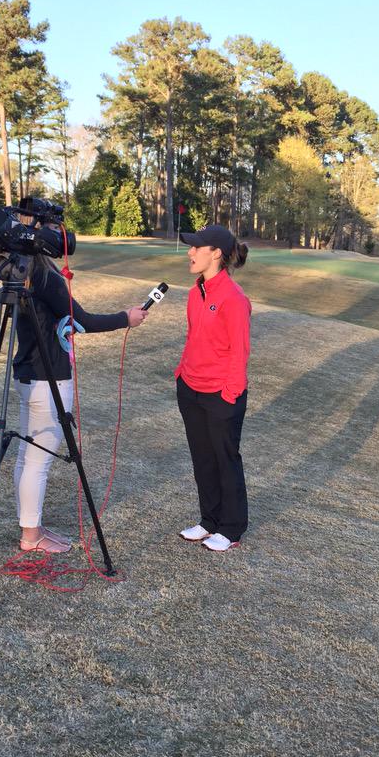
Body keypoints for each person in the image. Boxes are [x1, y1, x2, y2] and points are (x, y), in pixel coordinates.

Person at [12, 223, 148, 553]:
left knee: (27, 457)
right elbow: (81, 318)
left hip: (28, 376)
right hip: (48, 380)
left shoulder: (17, 269)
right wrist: (124, 318)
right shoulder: (44, 275)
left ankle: (32, 528)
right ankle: (31, 536)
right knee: (37, 460)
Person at [175, 224, 251, 552]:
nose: (190, 253)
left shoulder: (234, 298)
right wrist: (182, 372)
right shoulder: (195, 292)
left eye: (197, 248)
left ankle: (231, 529)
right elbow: (195, 337)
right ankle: (209, 521)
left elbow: (240, 351)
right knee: (202, 459)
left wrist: (230, 393)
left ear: (216, 253)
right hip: (190, 388)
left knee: (224, 459)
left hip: (222, 394)